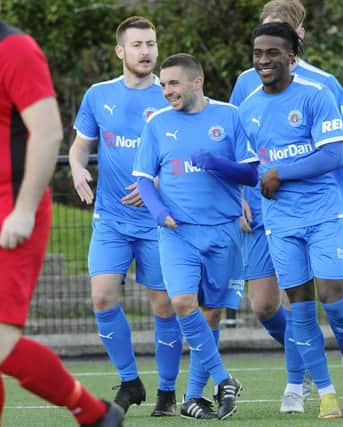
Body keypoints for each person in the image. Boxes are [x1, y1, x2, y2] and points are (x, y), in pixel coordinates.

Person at [229, 0, 343, 414]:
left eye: (278, 35)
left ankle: (300, 382)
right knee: (267, 305)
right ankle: (312, 377)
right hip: (265, 211)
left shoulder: (323, 86)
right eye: (261, 39)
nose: (265, 55)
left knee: (320, 297)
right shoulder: (244, 87)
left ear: (296, 39)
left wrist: (288, 172)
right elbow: (241, 153)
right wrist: (240, 201)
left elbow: (342, 148)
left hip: (316, 207)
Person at [0, 19, 124, 426]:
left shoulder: (15, 49)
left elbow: (50, 132)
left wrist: (23, 210)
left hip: (13, 205)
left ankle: (94, 414)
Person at [68, 16, 182, 416]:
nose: (146, 51)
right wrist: (78, 167)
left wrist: (155, 187)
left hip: (156, 222)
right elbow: (80, 148)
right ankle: (131, 382)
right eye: (137, 45)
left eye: (151, 43)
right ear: (120, 51)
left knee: (164, 305)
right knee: (101, 297)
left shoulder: (171, 97)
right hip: (111, 219)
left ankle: (167, 392)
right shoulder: (99, 95)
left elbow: (184, 157)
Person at [133, 53, 256, 420]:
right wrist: (158, 211)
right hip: (177, 233)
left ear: (197, 82)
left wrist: (217, 163)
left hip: (223, 230)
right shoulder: (156, 123)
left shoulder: (229, 116)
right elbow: (142, 177)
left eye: (173, 83)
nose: (167, 91)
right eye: (163, 85)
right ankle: (223, 378)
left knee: (211, 313)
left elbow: (251, 175)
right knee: (183, 303)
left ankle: (191, 397)